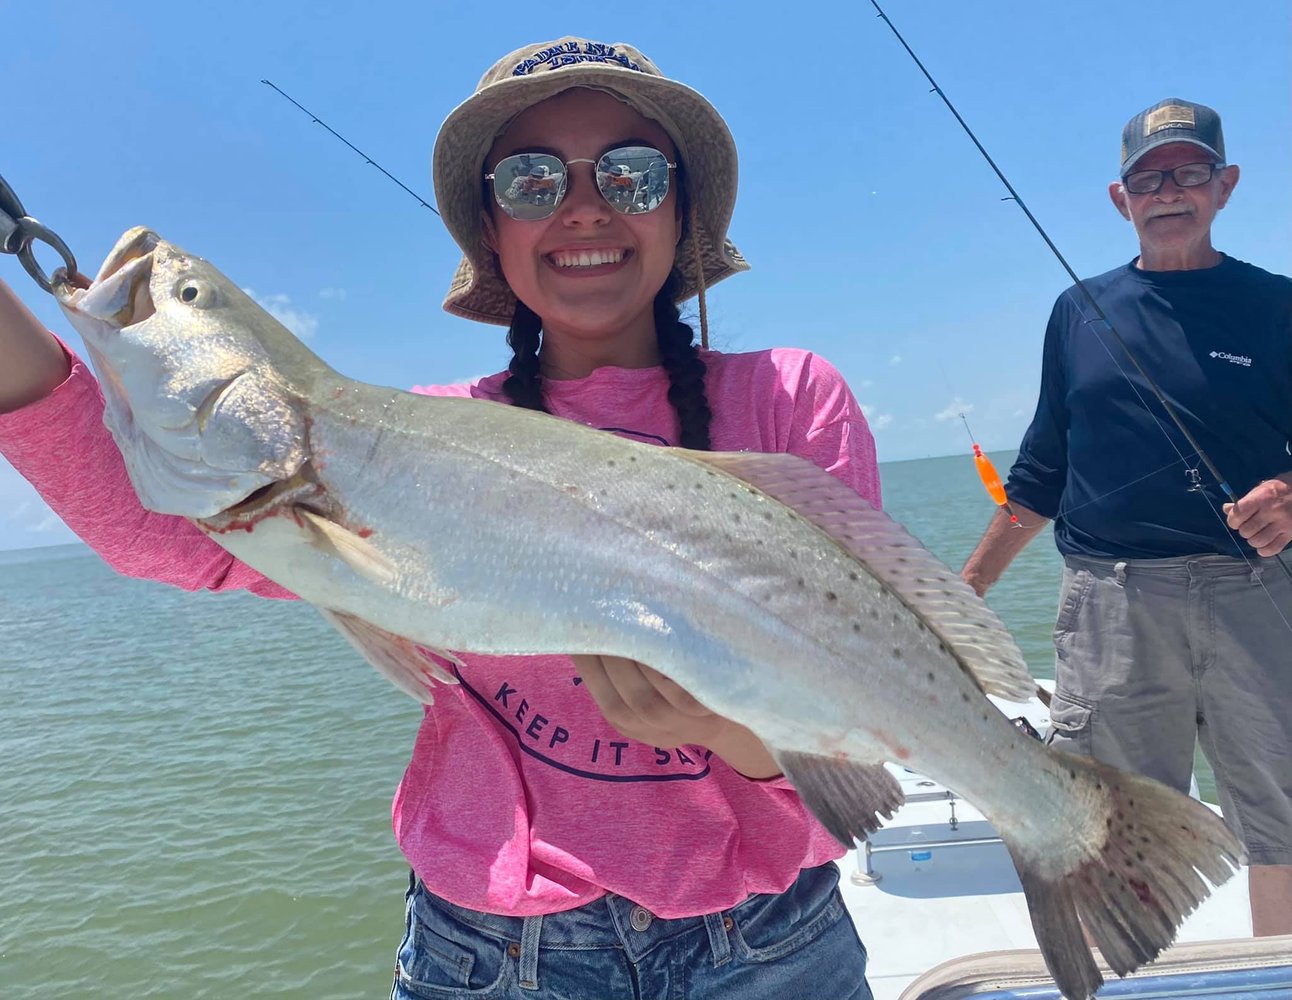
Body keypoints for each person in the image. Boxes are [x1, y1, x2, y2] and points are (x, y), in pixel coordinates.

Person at [0, 38, 881, 998]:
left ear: (683, 208)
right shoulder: (403, 441)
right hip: (494, 954)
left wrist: (730, 734)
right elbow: (148, 523)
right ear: (489, 228)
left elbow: (860, 704)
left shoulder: (792, 400)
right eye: (532, 179)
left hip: (771, 944)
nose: (584, 204)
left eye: (630, 173)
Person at [960, 97, 1292, 936]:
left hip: (1263, 595)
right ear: (1121, 199)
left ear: (1226, 185)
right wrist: (965, 593)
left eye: (1188, 171)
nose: (1168, 190)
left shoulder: (1279, 305)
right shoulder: (1078, 312)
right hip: (1114, 608)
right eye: (1149, 177)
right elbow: (1041, 471)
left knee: (1284, 824)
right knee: (1110, 831)